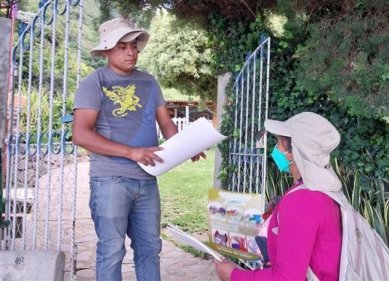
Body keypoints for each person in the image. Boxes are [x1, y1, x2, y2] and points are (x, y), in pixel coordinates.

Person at [72, 17, 204, 281]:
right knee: (111, 251)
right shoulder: (94, 82)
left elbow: (166, 123)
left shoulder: (149, 82)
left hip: (146, 179)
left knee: (150, 249)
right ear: (107, 50)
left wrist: (186, 146)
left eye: (134, 46)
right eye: (122, 46)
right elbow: (80, 134)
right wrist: (132, 152)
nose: (131, 52)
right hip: (110, 179)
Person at [215, 112, 344, 280]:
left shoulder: (302, 201)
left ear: (292, 153)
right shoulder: (321, 188)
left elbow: (286, 278)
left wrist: (234, 275)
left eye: (278, 143)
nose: (275, 149)